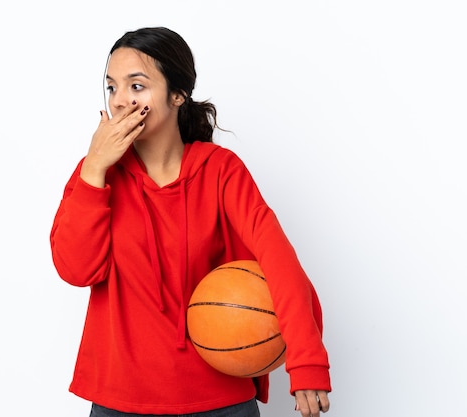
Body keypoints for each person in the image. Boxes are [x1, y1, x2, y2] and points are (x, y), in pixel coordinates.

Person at [50, 27, 331, 417]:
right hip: (120, 400)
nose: (120, 101)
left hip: (221, 401)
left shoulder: (220, 171)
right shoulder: (94, 174)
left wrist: (307, 361)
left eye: (137, 86)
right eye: (112, 88)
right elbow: (76, 270)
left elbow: (278, 260)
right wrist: (95, 168)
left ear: (178, 95)